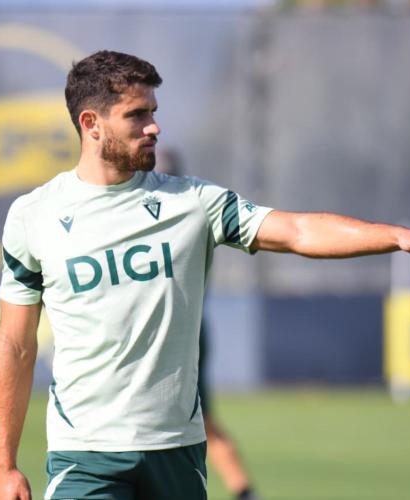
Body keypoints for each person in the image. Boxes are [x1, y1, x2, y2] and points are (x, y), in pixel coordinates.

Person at [0, 50, 410, 500]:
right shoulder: (34, 216)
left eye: (154, 111)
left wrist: (395, 236)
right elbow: (15, 343)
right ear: (90, 124)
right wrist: (5, 463)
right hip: (84, 453)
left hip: (177, 449)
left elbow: (296, 231)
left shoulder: (194, 202)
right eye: (137, 115)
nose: (154, 126)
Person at [155, 149, 259, 500]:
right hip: (193, 331)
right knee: (197, 417)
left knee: (194, 418)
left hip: (183, 334)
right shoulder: (190, 212)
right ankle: (244, 491)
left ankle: (243, 492)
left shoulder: (183, 216)